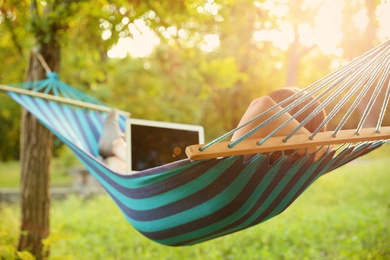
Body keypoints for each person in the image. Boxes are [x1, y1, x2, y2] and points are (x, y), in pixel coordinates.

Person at [231, 87, 329, 162]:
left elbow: (263, 105)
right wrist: (313, 147)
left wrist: (312, 147)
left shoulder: (235, 163)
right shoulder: (301, 173)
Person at [98, 109, 127, 174]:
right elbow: (128, 159)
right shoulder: (114, 162)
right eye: (122, 141)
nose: (125, 144)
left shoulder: (113, 161)